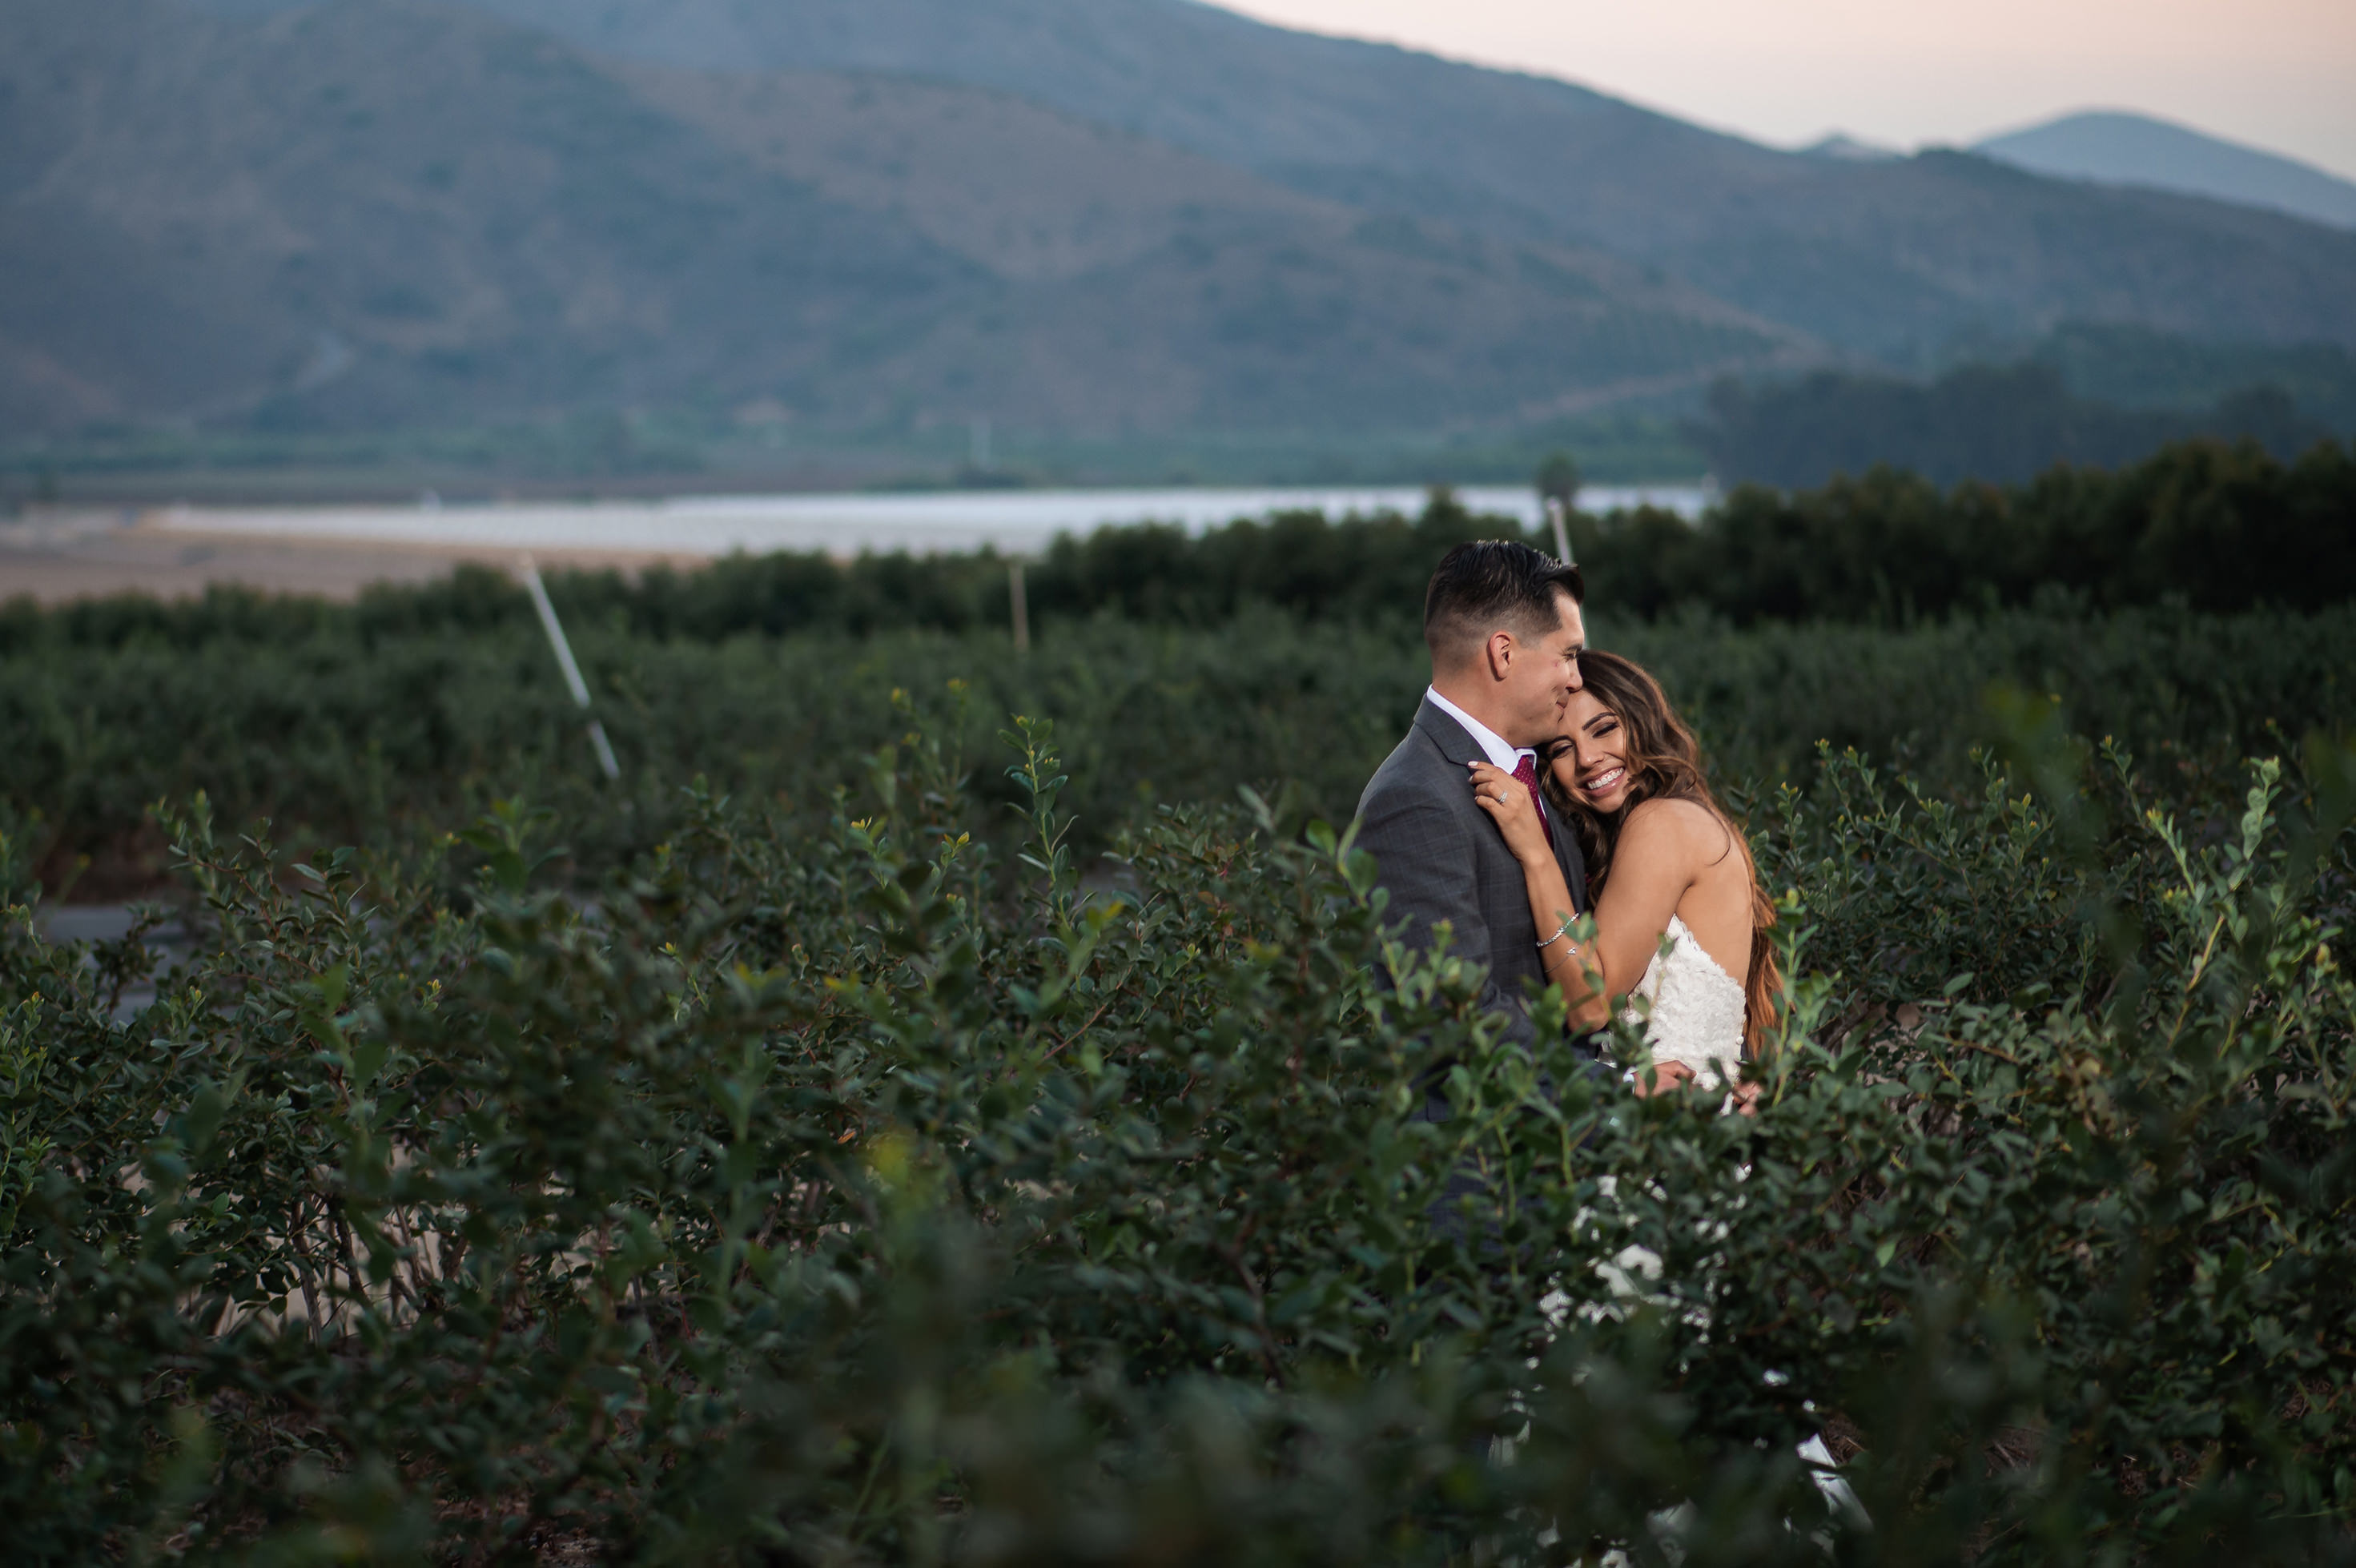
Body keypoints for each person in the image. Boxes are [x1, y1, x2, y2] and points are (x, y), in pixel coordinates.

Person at [1465, 649, 1778, 1108]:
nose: (1588, 759)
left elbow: (1590, 1008)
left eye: (1604, 729)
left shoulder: (1661, 823)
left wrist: (1534, 852)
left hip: (1664, 1131)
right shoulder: (1686, 818)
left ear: (1642, 721)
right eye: (1562, 749)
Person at [1354, 539, 1592, 1058]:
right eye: (1569, 656)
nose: (1578, 680)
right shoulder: (1415, 798)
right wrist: (1612, 1096)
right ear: (1503, 653)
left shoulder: (1546, 769)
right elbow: (1458, 1012)